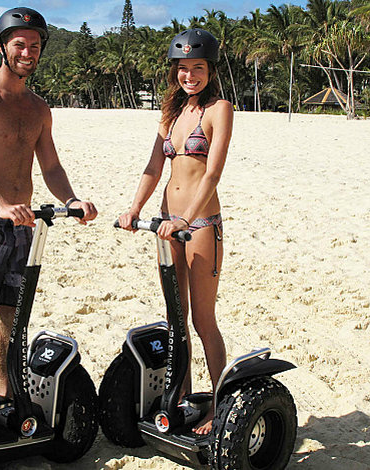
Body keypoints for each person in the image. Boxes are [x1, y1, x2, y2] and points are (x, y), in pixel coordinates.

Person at [0, 6, 97, 400]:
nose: (27, 52)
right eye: (20, 44)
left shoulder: (38, 108)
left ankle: (5, 396)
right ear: (2, 46)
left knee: (11, 317)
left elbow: (50, 165)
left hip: (22, 225)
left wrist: (71, 199)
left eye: (34, 46)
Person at [117, 29, 233, 435]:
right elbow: (153, 168)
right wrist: (134, 208)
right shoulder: (170, 114)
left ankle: (220, 407)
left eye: (197, 68)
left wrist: (187, 219)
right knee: (175, 319)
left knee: (203, 320)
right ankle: (183, 398)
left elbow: (213, 172)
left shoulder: (220, 109)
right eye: (183, 69)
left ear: (210, 70)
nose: (189, 76)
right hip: (167, 225)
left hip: (199, 225)